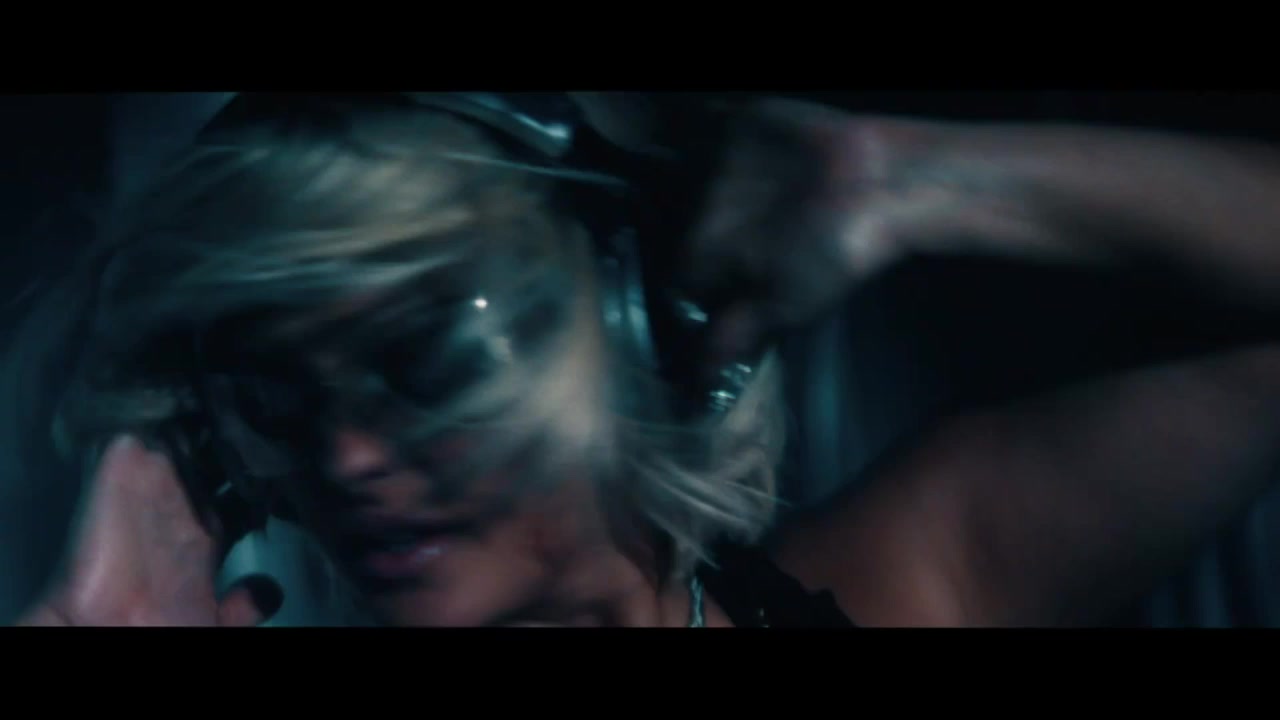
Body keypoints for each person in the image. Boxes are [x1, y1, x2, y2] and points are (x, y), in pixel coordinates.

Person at [10, 92, 1280, 627]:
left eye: (426, 354)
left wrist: (910, 181)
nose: (344, 456)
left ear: (623, 324)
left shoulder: (905, 579)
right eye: (277, 392)